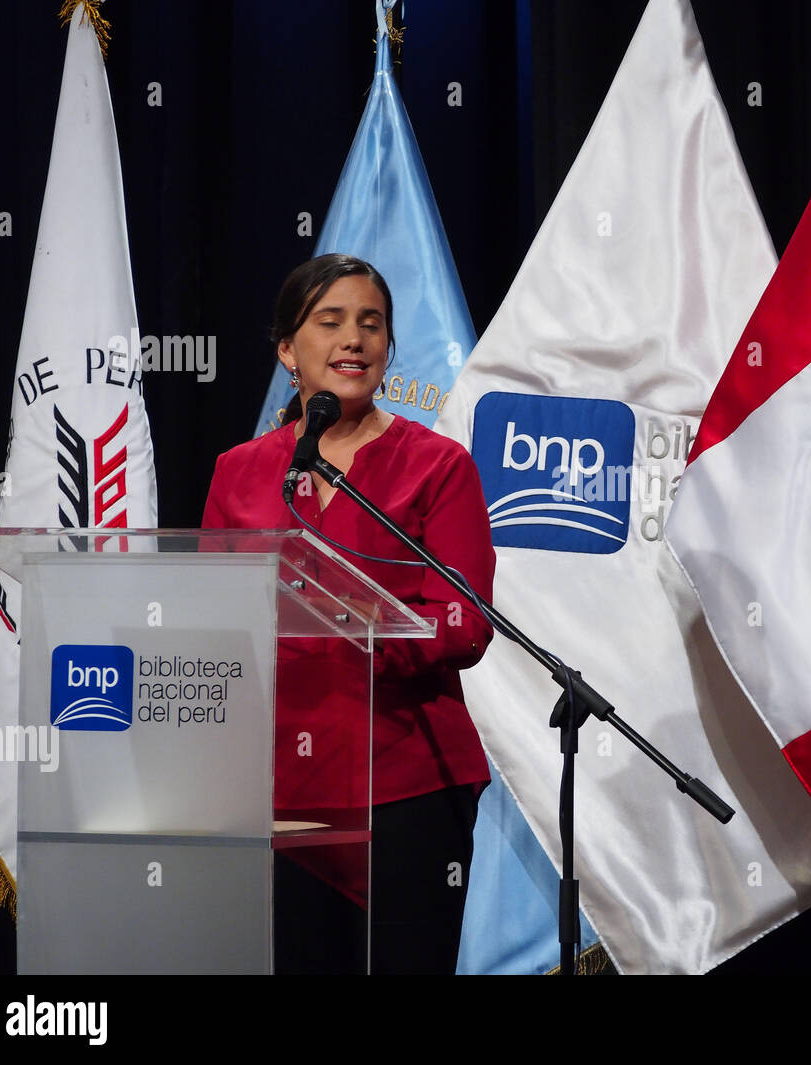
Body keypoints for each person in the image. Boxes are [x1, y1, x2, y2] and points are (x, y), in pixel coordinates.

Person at [201, 253, 495, 974]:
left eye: (371, 323)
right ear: (285, 349)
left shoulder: (439, 465)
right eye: (329, 321)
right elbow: (210, 622)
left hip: (408, 781)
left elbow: (468, 620)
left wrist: (372, 621)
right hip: (278, 788)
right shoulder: (237, 470)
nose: (354, 339)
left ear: (390, 348)